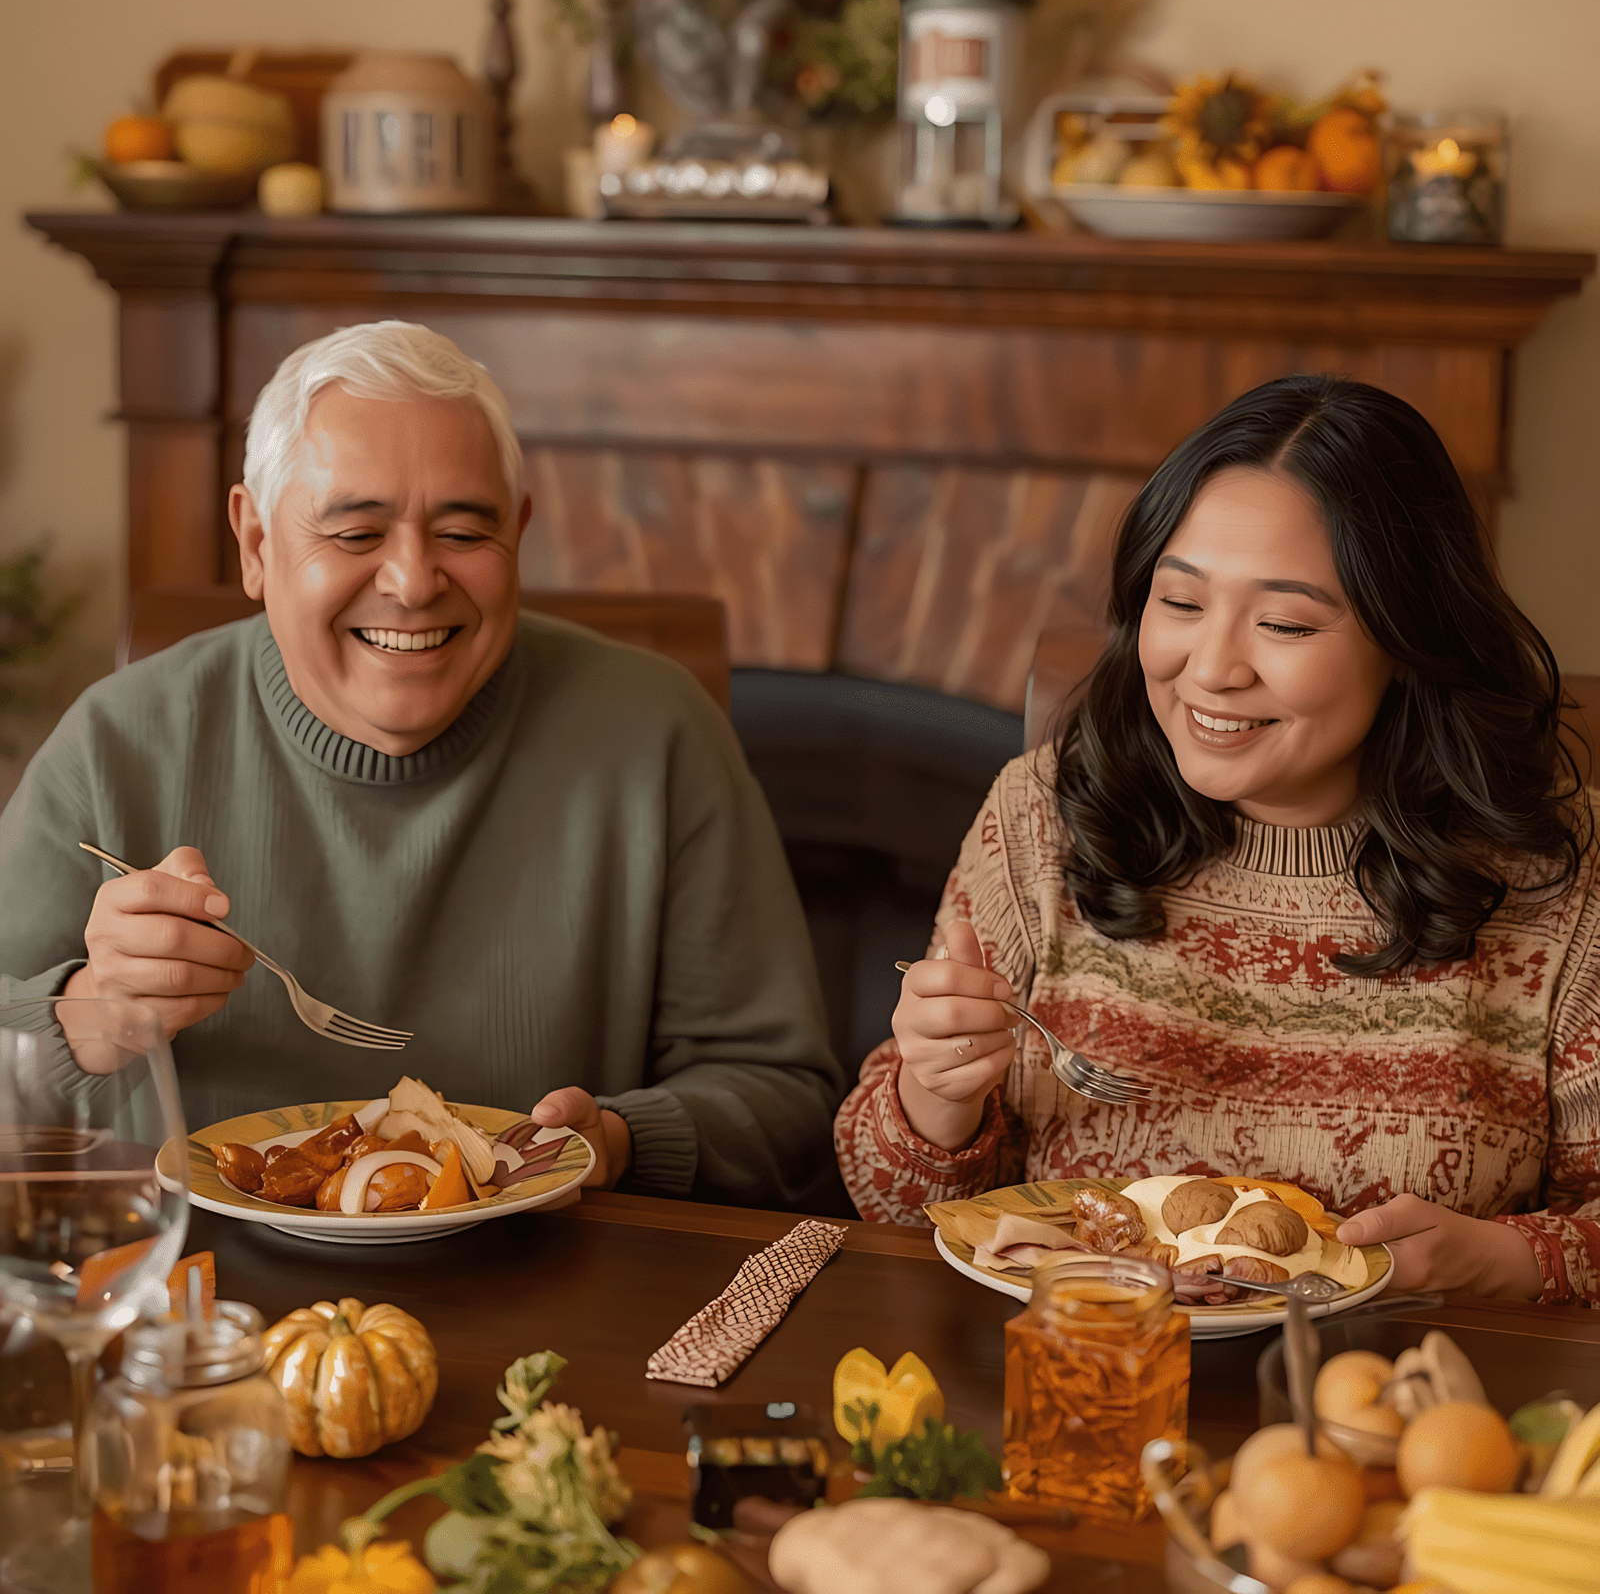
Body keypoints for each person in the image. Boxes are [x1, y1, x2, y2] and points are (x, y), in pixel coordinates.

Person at [0, 320, 844, 1211]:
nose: (411, 580)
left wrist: (625, 1141)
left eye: (463, 533)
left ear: (518, 533)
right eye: (356, 533)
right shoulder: (117, 740)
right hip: (206, 1309)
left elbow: (787, 1105)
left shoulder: (657, 731)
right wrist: (90, 1015)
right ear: (255, 544)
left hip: (558, 1294)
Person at [835, 374, 1600, 1306]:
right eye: (1182, 604)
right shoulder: (1045, 815)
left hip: (1388, 1410)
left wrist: (1506, 1261)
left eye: (1282, 623)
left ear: (1409, 636)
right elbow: (891, 1205)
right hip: (1090, 1379)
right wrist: (937, 1100)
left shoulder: (1555, 875)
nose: (1210, 670)